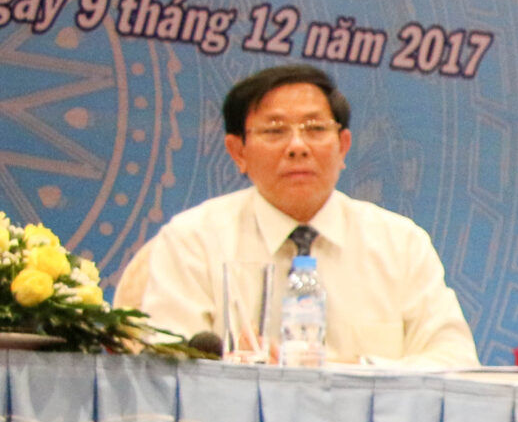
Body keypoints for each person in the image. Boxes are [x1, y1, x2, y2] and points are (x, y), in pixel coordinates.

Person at [118, 65, 478, 367]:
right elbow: (166, 365)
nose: (297, 147)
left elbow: (456, 363)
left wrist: (353, 372)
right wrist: (237, 373)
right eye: (275, 131)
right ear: (238, 151)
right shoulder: (192, 240)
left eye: (315, 129)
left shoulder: (401, 244)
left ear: (343, 146)